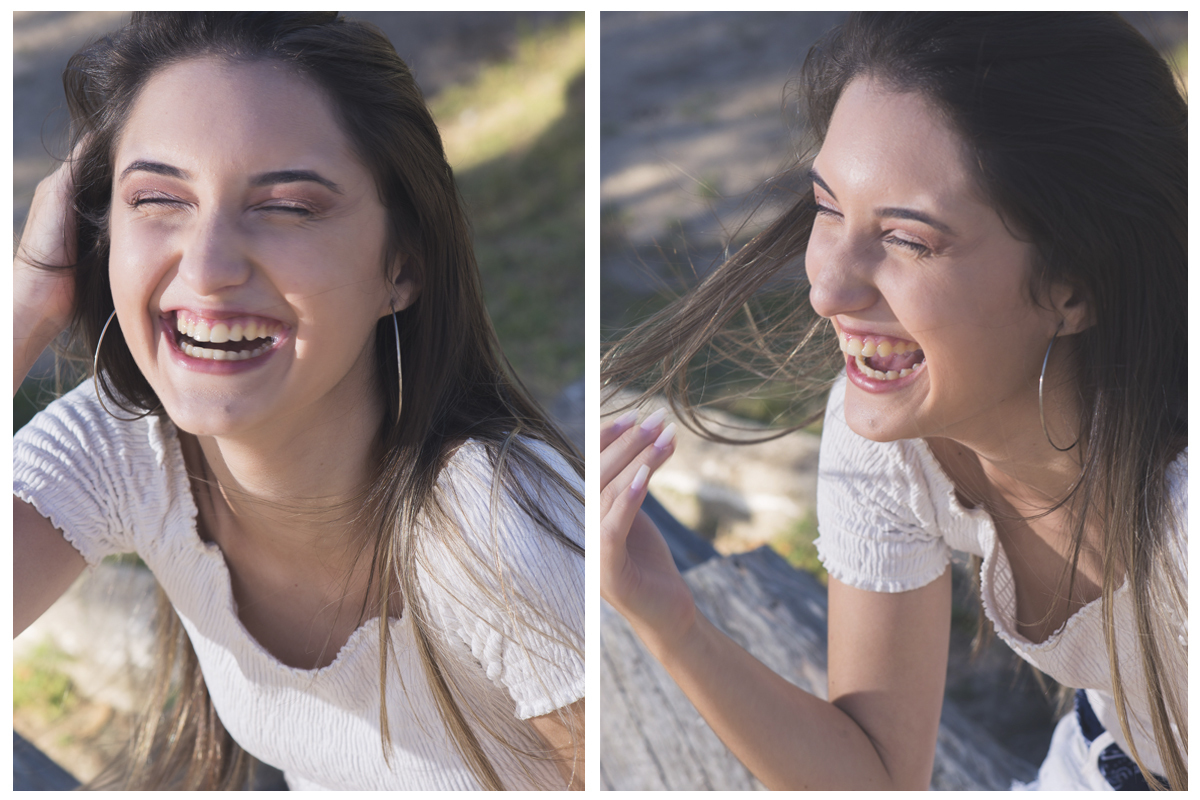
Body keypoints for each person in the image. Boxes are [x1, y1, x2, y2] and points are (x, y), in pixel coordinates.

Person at [601, 12, 1185, 791]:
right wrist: (669, 621)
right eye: (828, 207)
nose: (826, 289)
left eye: (910, 240)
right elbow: (873, 776)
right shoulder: (887, 435)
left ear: (1073, 285)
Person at [14, 12, 583, 791]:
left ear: (401, 268)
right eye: (157, 199)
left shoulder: (491, 524)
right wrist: (27, 306)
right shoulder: (122, 450)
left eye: (286, 206)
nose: (209, 267)